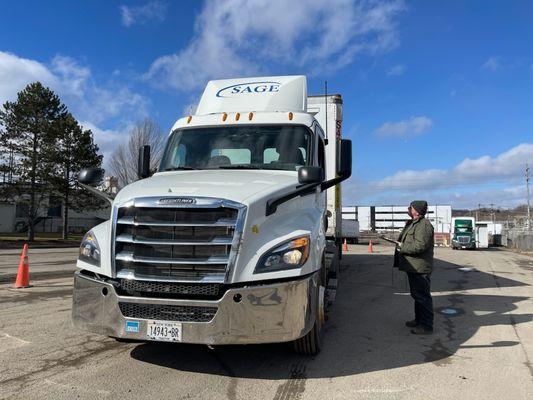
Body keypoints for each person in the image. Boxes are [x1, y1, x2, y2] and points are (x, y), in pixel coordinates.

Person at [394, 200, 435, 334]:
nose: (408, 209)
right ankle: (419, 320)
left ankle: (427, 325)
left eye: (410, 207)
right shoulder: (413, 223)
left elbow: (420, 246)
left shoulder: (423, 225)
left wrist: (402, 247)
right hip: (413, 267)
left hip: (420, 268)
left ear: (416, 210)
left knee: (423, 297)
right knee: (417, 295)